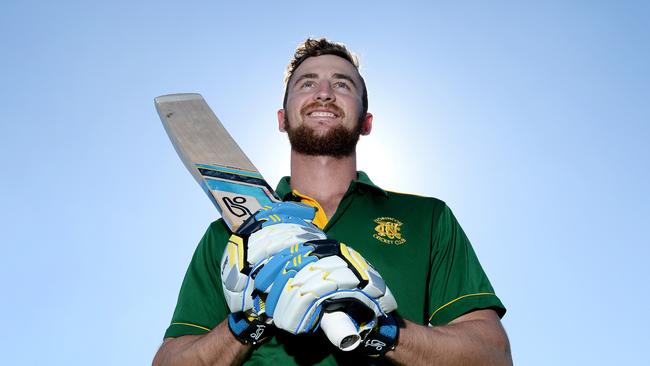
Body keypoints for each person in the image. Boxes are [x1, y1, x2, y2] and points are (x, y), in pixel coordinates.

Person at [153, 38, 512, 366]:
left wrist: (381, 330)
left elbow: (492, 355)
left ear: (366, 122)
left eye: (342, 84)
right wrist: (247, 322)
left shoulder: (426, 218)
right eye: (307, 83)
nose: (324, 93)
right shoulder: (232, 235)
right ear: (282, 119)